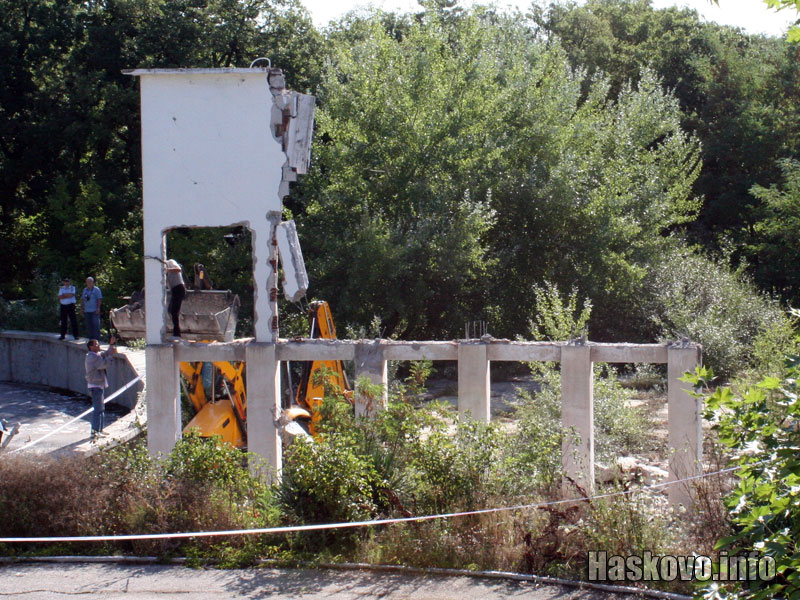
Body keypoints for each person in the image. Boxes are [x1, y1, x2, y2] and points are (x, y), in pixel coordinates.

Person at [85, 335, 117, 440]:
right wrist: (111, 356)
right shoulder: (92, 357)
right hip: (95, 386)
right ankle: (94, 432)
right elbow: (102, 364)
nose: (99, 346)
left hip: (99, 385)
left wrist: (111, 344)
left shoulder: (96, 355)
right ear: (91, 347)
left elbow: (105, 354)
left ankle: (100, 430)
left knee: (101, 408)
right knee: (97, 409)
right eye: (97, 344)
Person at [166, 259, 186, 338]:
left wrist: (166, 270)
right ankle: (175, 331)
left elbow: (178, 269)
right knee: (170, 310)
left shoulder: (170, 262)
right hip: (174, 290)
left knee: (174, 311)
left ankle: (177, 334)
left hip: (178, 288)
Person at [81, 277, 103, 341]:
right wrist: (82, 309)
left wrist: (98, 308)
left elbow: (99, 299)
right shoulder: (85, 290)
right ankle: (91, 341)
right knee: (89, 326)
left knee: (96, 326)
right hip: (87, 310)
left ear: (93, 282)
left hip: (94, 310)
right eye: (87, 282)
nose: (89, 283)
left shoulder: (96, 289)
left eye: (90, 281)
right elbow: (82, 299)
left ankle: (97, 341)